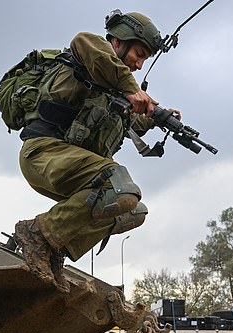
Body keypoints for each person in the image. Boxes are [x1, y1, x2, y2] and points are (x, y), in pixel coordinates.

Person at [14, 10, 175, 293]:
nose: (139, 64)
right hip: (42, 153)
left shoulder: (111, 93)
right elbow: (83, 41)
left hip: (70, 167)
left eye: (143, 59)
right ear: (119, 41)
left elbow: (131, 122)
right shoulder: (87, 55)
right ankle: (37, 234)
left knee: (132, 210)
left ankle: (54, 250)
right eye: (138, 54)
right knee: (119, 184)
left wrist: (157, 117)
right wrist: (131, 89)